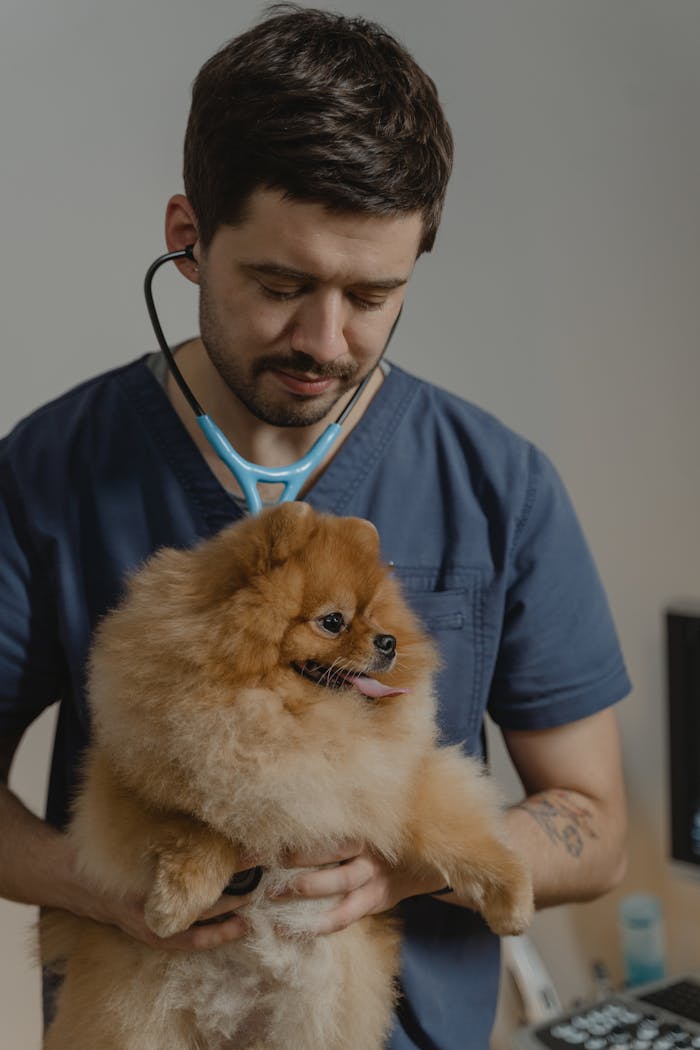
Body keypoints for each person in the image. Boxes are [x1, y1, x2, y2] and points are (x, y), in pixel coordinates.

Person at [0, 5, 631, 1047]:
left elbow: (595, 825)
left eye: (373, 295)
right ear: (186, 236)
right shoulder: (49, 473)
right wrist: (110, 881)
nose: (325, 340)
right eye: (280, 285)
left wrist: (407, 860)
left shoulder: (495, 484)